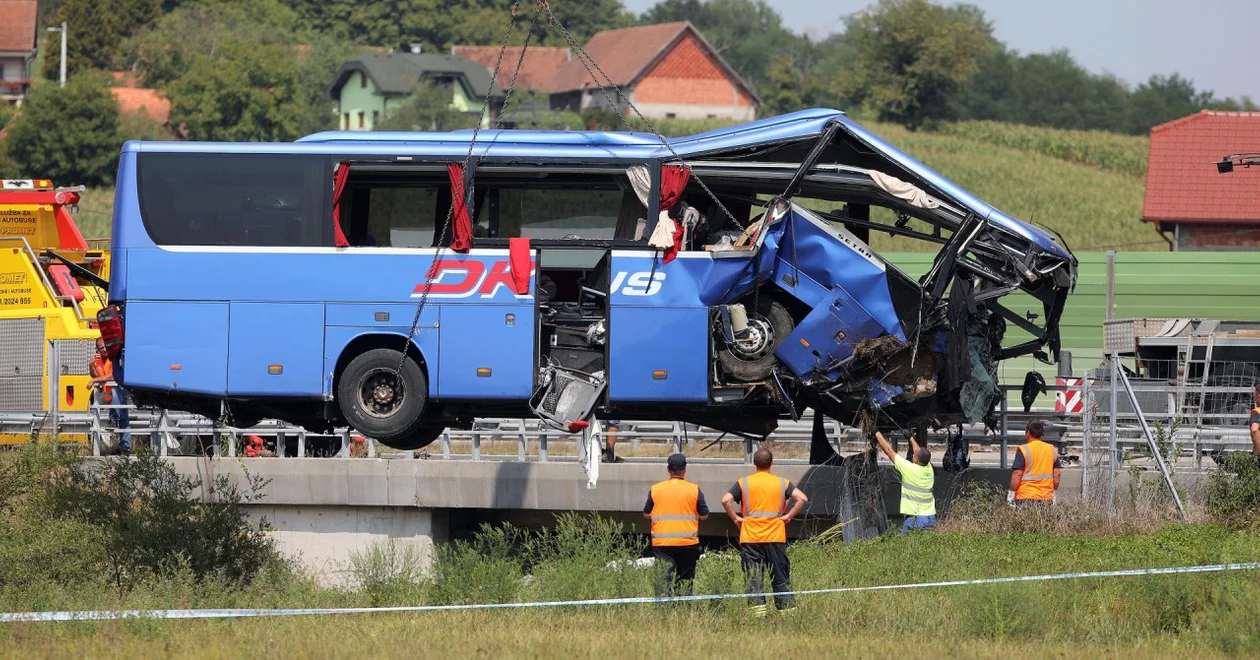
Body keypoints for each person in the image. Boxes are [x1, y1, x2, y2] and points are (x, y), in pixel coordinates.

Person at [720, 448, 808, 617]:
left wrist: (736, 519)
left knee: (754, 578)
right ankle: (787, 614)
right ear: (772, 463)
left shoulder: (743, 483)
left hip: (751, 537)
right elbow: (802, 498)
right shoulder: (782, 483)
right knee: (780, 576)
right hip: (775, 536)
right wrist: (788, 516)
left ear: (754, 463)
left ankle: (758, 616)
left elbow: (726, 500)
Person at [643, 453, 709, 596]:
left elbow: (647, 514)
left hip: (662, 543)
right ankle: (683, 608)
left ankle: (663, 609)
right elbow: (704, 515)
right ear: (685, 469)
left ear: (668, 469)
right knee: (685, 579)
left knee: (663, 578)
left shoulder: (656, 489)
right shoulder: (694, 489)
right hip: (687, 542)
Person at [873, 430, 936, 533]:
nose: (912, 455)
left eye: (914, 455)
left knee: (906, 547)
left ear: (916, 459)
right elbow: (918, 450)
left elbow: (889, 451)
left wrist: (876, 433)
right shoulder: (929, 468)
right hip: (930, 517)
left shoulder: (908, 469)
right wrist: (911, 438)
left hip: (915, 518)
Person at [89, 337, 131, 454]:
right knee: (115, 396)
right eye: (101, 348)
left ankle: (124, 447)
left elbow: (114, 376)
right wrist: (91, 365)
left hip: (117, 393)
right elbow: (95, 376)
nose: (104, 350)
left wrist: (95, 380)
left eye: (105, 347)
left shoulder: (114, 357)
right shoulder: (97, 360)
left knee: (123, 416)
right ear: (97, 349)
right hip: (105, 394)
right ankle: (113, 420)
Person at [1009, 420, 1061, 506]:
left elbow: (1017, 474)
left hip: (1025, 496)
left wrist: (1011, 493)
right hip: (1046, 497)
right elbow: (1057, 473)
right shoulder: (1051, 449)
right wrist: (1053, 492)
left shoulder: (1024, 449)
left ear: (1028, 432)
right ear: (1041, 433)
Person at [1249, 384, 1260, 457]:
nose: (1253, 396)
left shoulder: (1257, 412)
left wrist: (1258, 452)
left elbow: (1255, 430)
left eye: (1254, 394)